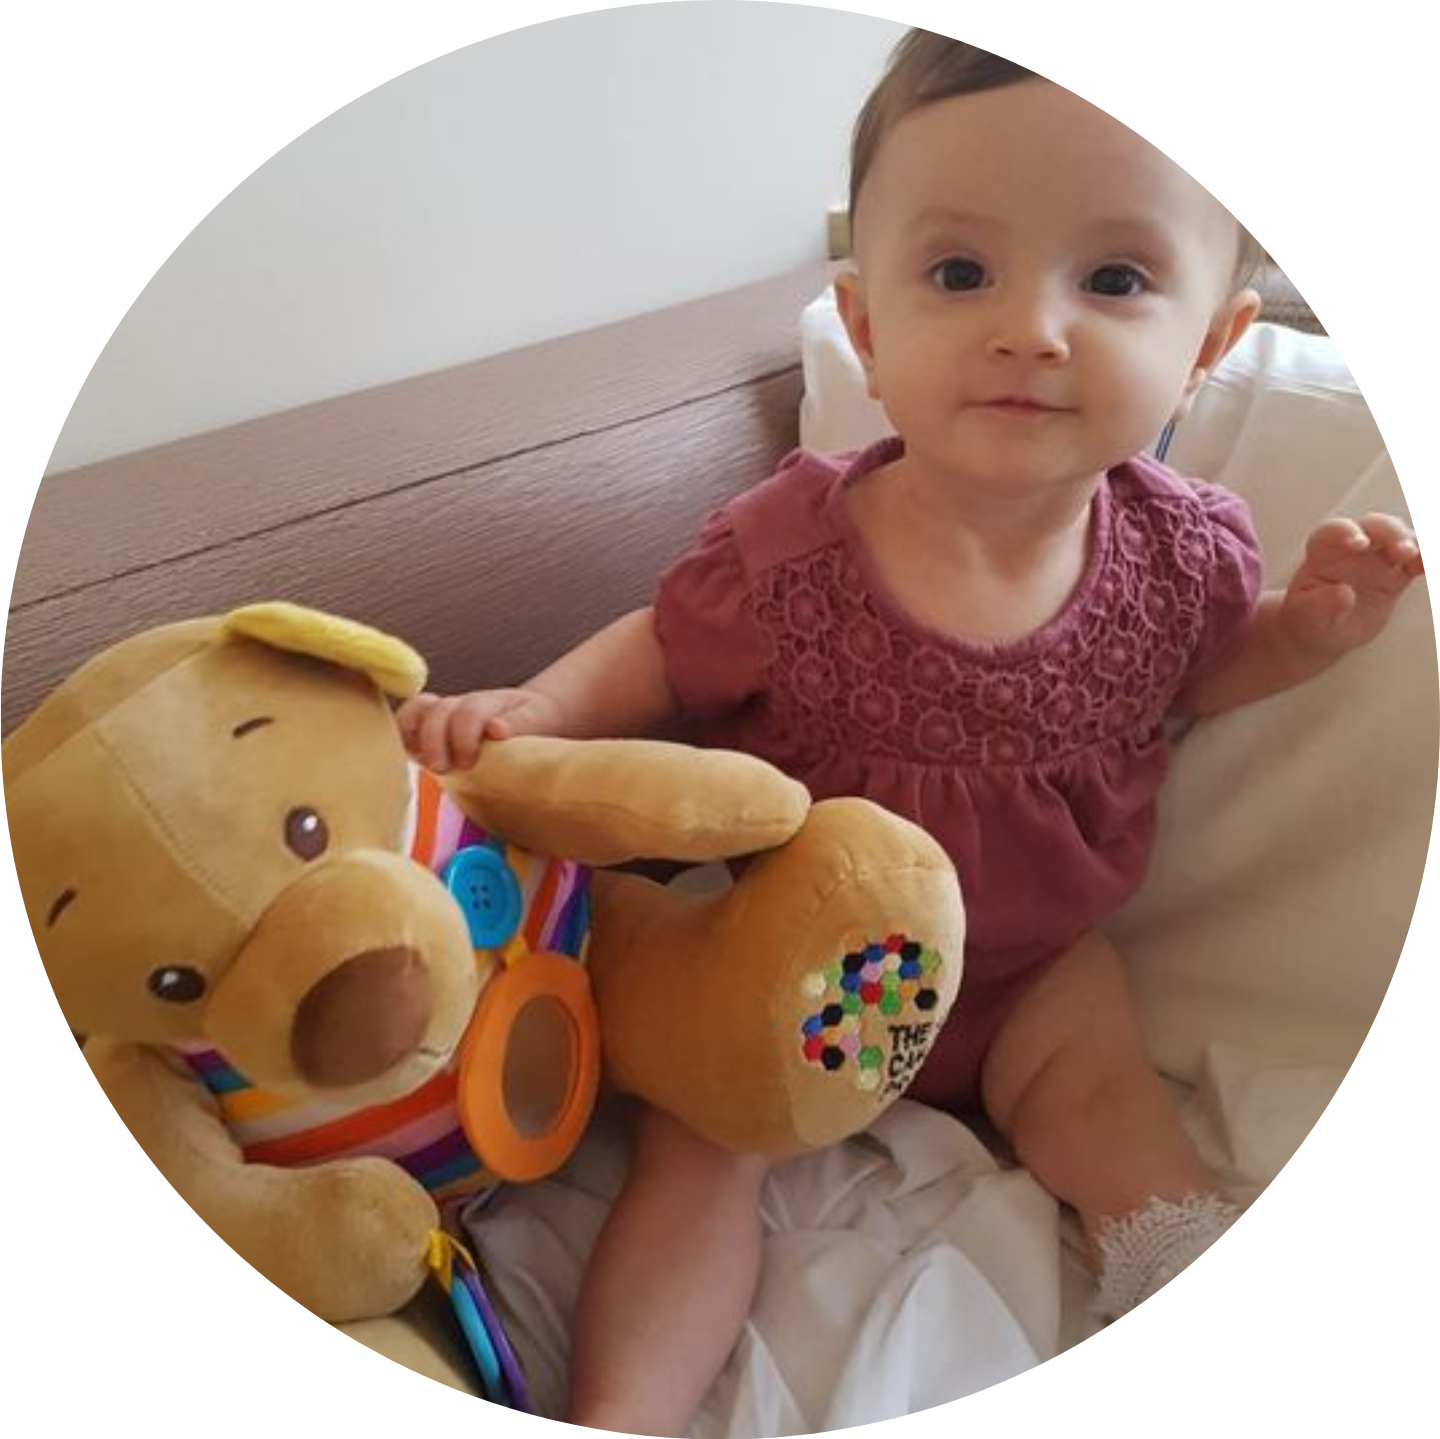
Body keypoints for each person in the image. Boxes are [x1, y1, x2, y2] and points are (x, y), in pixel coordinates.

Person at [399, 31, 1424, 1435]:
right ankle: (620, 1409)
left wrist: (1310, 635)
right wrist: (534, 713)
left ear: (1210, 345)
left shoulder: (1185, 555)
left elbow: (1197, 680)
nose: (1032, 327)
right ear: (868, 330)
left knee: (1118, 1126)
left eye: (1113, 278)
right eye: (959, 273)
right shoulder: (792, 548)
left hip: (1032, 974)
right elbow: (658, 644)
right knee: (701, 1153)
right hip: (796, 964)